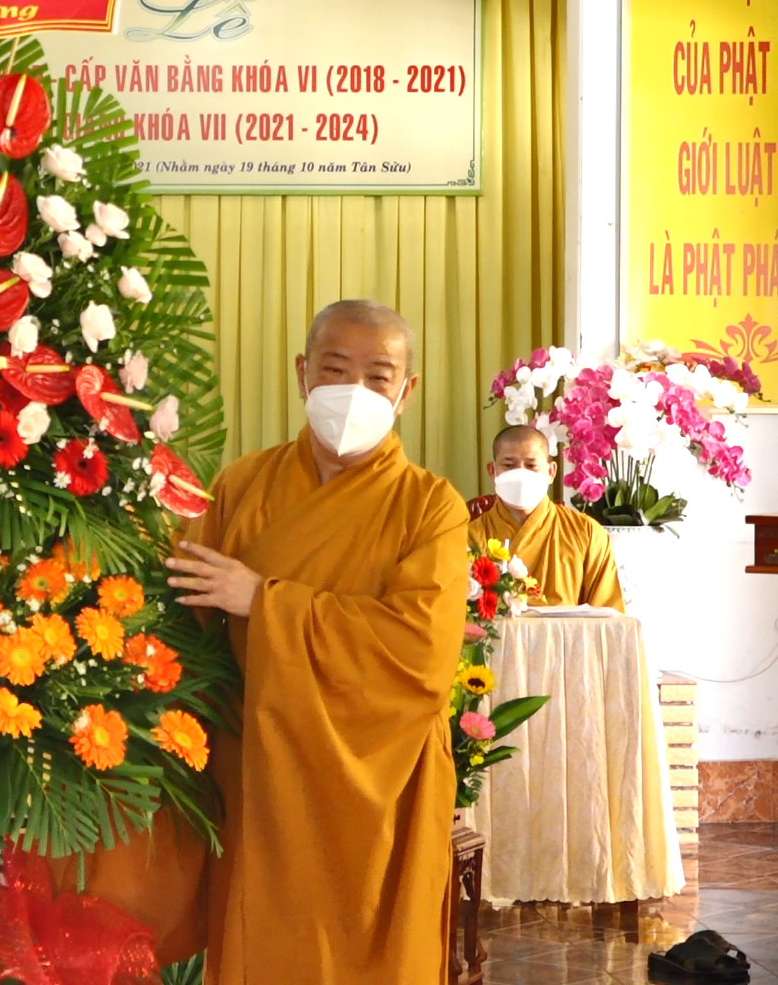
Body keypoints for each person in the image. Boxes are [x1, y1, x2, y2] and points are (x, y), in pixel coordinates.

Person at [154, 300, 469, 984]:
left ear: (407, 391)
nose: (354, 391)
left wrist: (262, 602)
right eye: (334, 369)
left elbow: (421, 651)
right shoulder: (242, 485)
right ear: (302, 374)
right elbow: (183, 616)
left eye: (378, 377)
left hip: (380, 779)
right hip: (261, 774)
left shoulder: (430, 507)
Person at [468, 423, 625, 610]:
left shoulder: (587, 532)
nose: (520, 474)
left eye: (531, 466)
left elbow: (608, 615)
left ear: (551, 472)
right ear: (492, 471)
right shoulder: (470, 536)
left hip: (570, 631)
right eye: (509, 466)